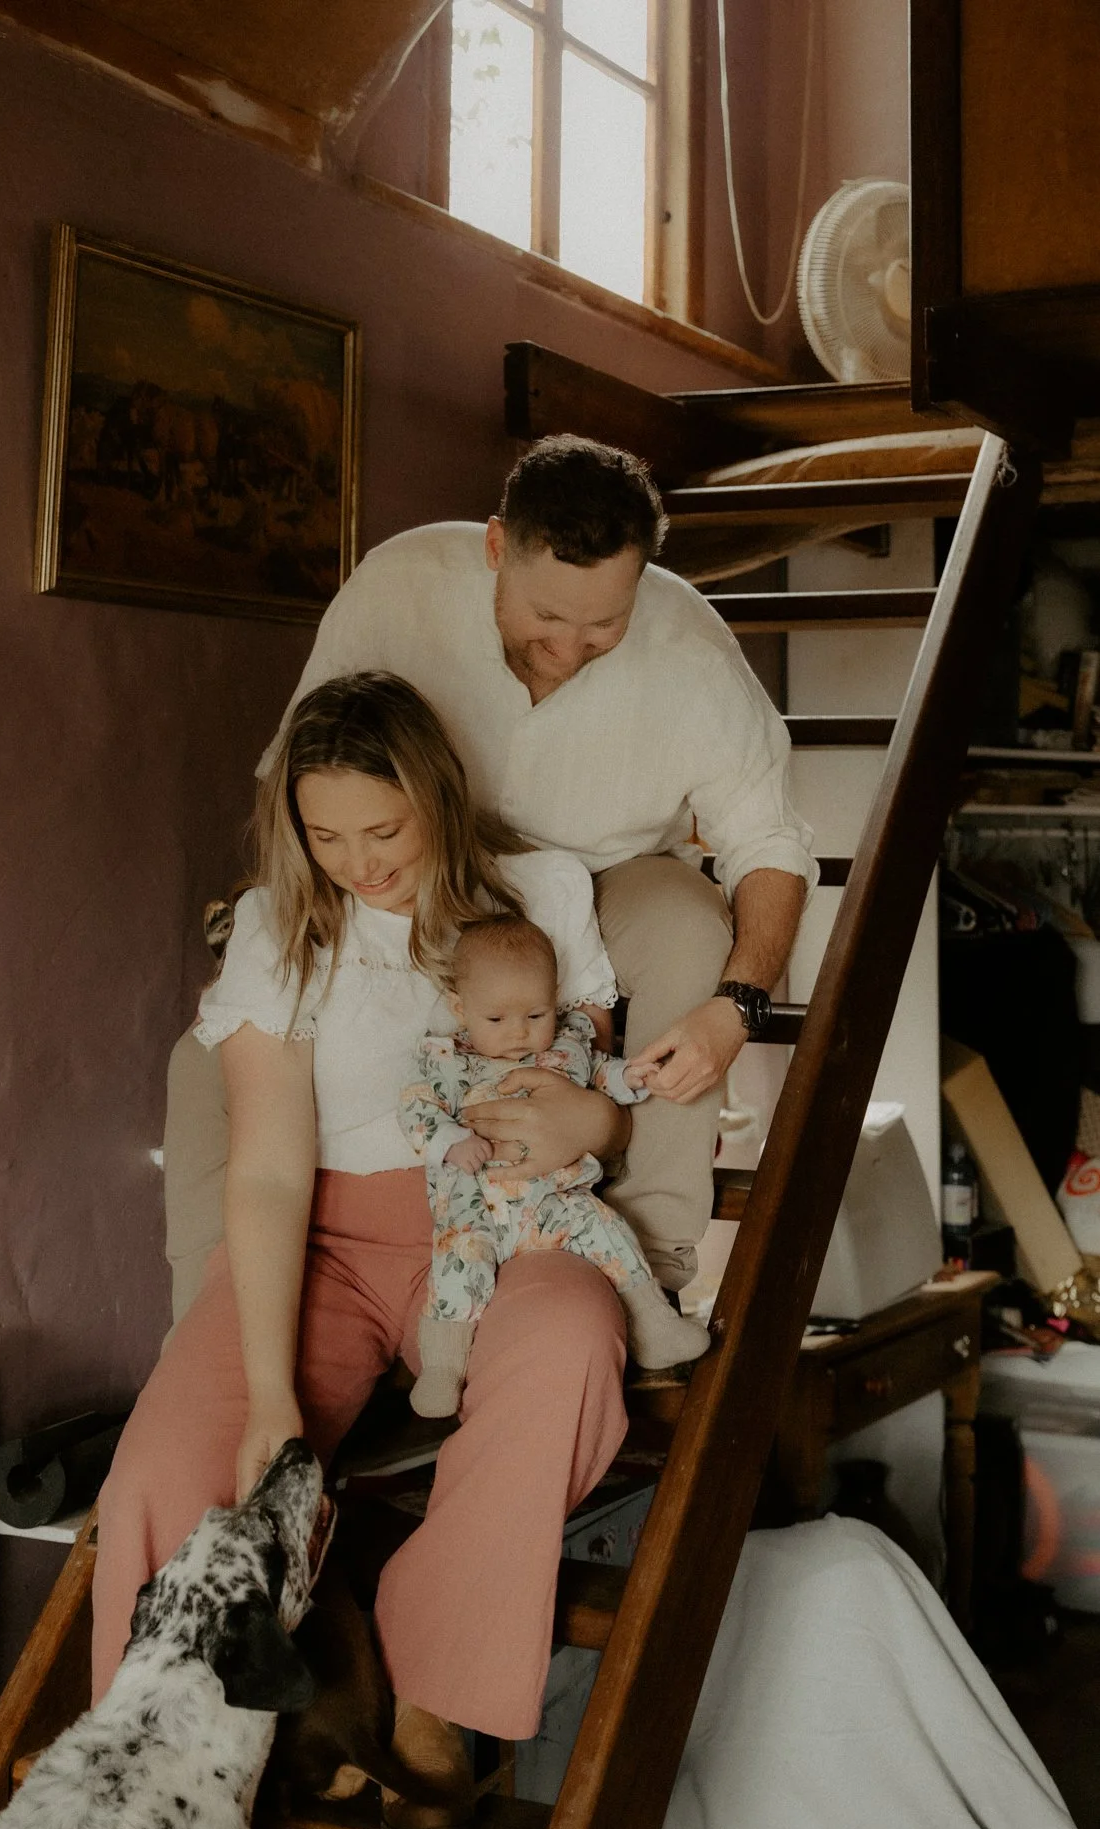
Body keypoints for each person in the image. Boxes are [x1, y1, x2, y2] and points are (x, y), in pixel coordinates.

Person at [94, 674, 636, 1822]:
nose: (357, 860)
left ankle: (435, 1666)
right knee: (160, 1477)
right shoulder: (279, 926)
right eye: (324, 833)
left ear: (435, 794)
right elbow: (273, 1167)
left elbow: (586, 1083)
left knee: (575, 1346)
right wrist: (268, 1392)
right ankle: (151, 1797)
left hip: (500, 1213)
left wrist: (595, 1122)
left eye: (382, 829)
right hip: (330, 1235)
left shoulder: (541, 890)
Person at [165, 435, 816, 1321]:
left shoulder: (693, 652)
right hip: (423, 866)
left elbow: (769, 844)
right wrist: (281, 924)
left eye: (605, 623)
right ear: (493, 548)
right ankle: (221, 1317)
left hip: (600, 879)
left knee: (686, 923)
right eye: (548, 616)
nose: (572, 646)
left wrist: (736, 1007)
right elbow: (306, 767)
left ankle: (646, 1269)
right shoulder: (397, 584)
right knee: (204, 1064)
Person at [398, 913, 709, 1418]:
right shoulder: (446, 1060)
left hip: (556, 1202)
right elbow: (415, 1109)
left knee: (605, 1227)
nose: (519, 1034)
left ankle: (654, 1325)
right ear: (460, 1008)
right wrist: (451, 1141)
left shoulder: (567, 1047)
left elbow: (601, 1078)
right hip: (477, 1207)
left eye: (536, 1015)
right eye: (497, 1020)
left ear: (554, 1000)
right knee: (459, 1265)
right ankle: (443, 1367)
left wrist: (632, 1074)